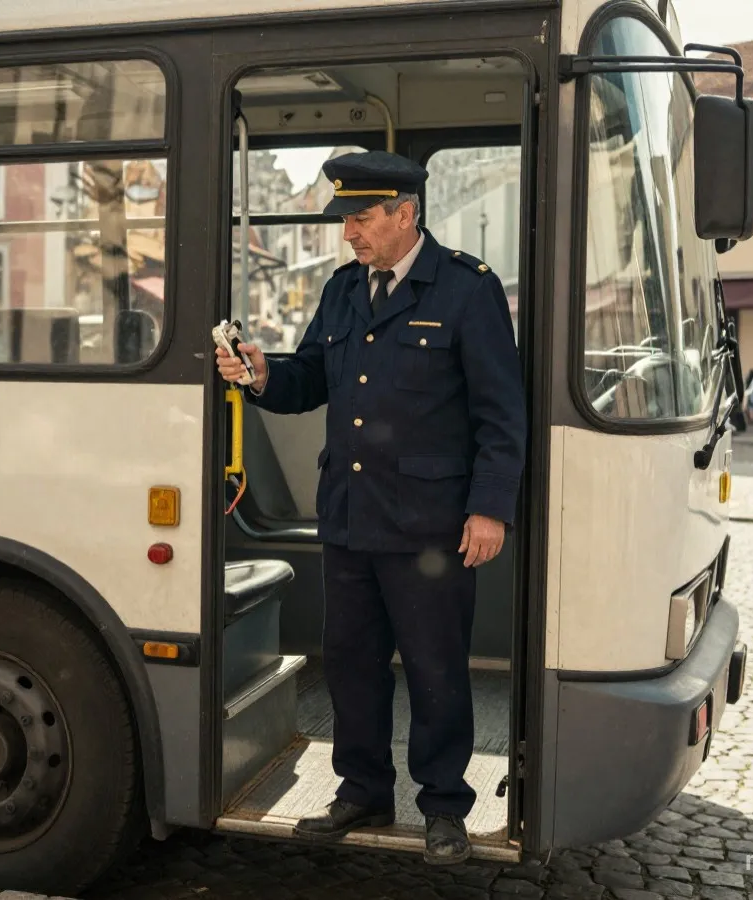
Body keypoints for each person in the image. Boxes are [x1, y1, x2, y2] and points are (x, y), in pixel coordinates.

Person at [214, 150, 526, 865]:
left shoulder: (465, 288)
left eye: (360, 219)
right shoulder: (346, 289)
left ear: (405, 214)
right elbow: (309, 378)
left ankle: (444, 806)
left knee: (435, 668)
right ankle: (362, 790)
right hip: (351, 514)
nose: (348, 234)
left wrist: (490, 509)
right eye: (345, 220)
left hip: (431, 523)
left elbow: (501, 414)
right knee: (352, 662)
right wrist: (263, 375)